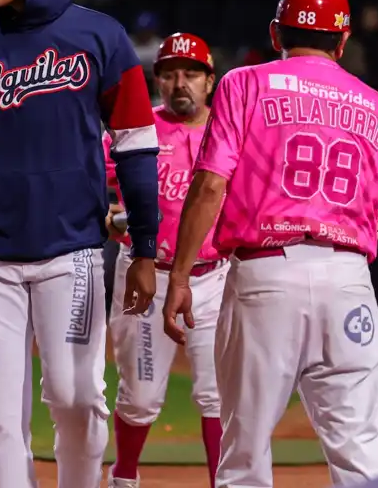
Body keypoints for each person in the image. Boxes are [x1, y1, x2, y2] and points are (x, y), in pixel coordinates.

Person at [161, 0, 378, 487]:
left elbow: (209, 186)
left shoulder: (243, 84)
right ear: (343, 42)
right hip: (347, 283)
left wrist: (181, 274)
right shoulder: (376, 105)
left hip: (264, 278)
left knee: (244, 449)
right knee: (361, 447)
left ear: (276, 33)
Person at [0, 0, 160, 487]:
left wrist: (144, 247)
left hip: (74, 251)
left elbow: (137, 148)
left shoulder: (100, 37)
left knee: (77, 396)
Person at [104, 32, 225, 488]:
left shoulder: (230, 131)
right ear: (157, 81)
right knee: (140, 394)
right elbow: (88, 188)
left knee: (218, 394)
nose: (180, 83)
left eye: (191, 73)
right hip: (145, 274)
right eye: (170, 73)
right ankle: (124, 476)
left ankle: (223, 482)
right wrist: (110, 220)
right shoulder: (138, 131)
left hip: (214, 277)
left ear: (209, 80)